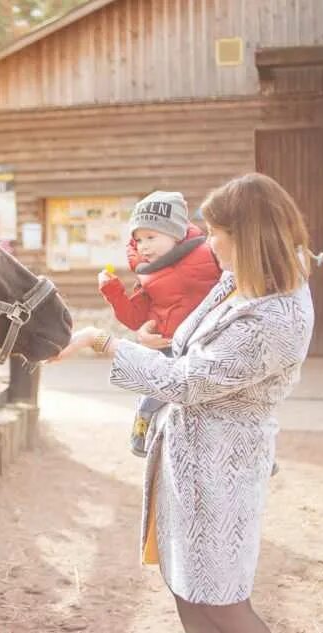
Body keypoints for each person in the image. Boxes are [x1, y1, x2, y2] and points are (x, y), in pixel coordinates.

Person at [52, 173, 317, 633]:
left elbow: (188, 381)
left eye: (215, 233)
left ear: (246, 237)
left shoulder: (274, 316)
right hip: (188, 461)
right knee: (188, 589)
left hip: (221, 471)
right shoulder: (239, 281)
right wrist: (145, 335)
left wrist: (104, 342)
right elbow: (188, 343)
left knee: (222, 603)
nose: (208, 244)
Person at [98, 191, 220, 456]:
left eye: (151, 237)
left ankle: (256, 451)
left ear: (175, 233)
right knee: (157, 389)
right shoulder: (147, 273)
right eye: (138, 239)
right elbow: (134, 318)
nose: (143, 246)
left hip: (209, 342)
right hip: (167, 344)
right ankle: (142, 422)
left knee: (228, 401)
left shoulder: (210, 252)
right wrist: (112, 291)